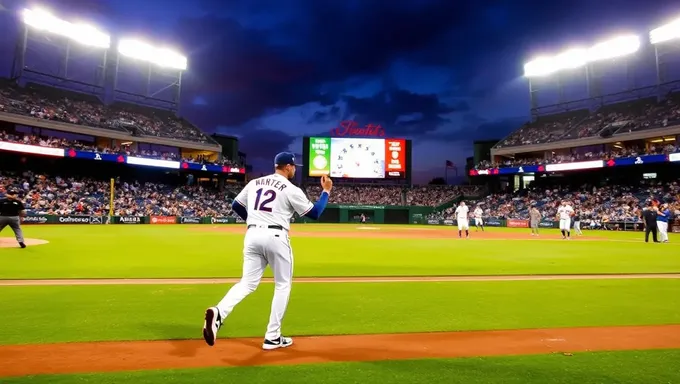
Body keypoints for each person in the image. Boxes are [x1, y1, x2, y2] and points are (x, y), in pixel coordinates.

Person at [202, 152, 333, 350]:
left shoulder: (255, 183)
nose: (295, 169)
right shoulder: (290, 188)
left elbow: (235, 204)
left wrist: (253, 219)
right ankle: (272, 336)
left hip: (252, 235)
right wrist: (326, 192)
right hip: (276, 237)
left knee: (247, 283)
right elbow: (314, 213)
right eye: (294, 166)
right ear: (287, 167)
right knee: (283, 285)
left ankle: (219, 311)